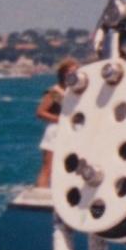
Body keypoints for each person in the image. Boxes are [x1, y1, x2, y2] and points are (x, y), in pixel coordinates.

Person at [35, 58, 80, 187]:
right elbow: (40, 112)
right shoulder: (55, 92)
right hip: (55, 130)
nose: (74, 74)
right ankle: (41, 192)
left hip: (72, 131)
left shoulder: (77, 92)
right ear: (63, 74)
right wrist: (60, 119)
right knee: (48, 166)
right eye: (71, 72)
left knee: (71, 166)